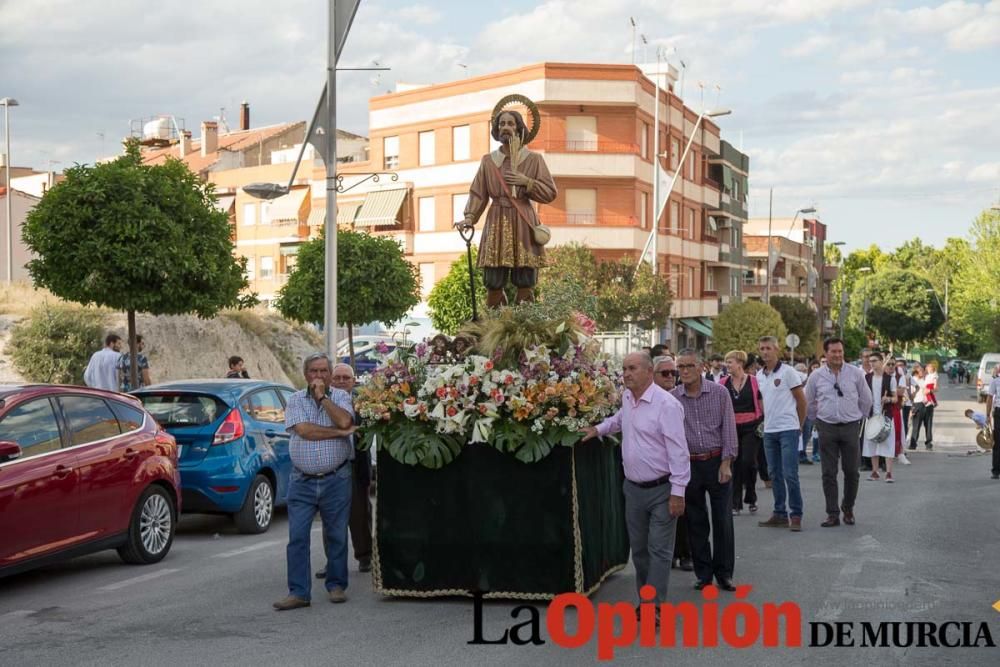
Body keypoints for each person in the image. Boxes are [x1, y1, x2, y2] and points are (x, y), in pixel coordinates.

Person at [581, 352, 690, 610]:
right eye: (624, 369)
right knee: (639, 552)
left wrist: (678, 492)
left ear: (649, 372)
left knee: (660, 551)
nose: (626, 374)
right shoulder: (628, 397)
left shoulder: (667, 405)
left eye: (632, 368)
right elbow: (620, 420)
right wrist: (598, 429)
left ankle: (653, 605)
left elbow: (679, 451)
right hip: (633, 490)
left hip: (662, 490)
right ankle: (646, 599)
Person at [273, 353, 357, 611]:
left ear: (330, 376)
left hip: (336, 478)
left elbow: (345, 420)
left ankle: (336, 585)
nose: (318, 376)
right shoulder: (295, 399)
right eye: (313, 372)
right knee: (297, 537)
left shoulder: (341, 397)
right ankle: (298, 592)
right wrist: (339, 434)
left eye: (323, 371)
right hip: (302, 481)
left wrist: (323, 397)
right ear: (305, 375)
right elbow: (304, 431)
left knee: (336, 535)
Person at [456, 103, 557, 307]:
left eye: (510, 123)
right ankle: (494, 324)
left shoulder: (534, 160)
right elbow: (478, 192)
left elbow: (550, 192)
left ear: (519, 128)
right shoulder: (489, 161)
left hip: (523, 220)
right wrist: (469, 218)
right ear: (496, 129)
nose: (505, 127)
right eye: (502, 123)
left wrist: (526, 182)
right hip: (496, 222)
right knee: (493, 280)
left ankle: (524, 327)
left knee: (525, 279)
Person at [671, 349, 738, 591]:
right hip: (688, 465)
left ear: (702, 367)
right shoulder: (673, 398)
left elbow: (729, 428)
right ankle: (704, 574)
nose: (685, 371)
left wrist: (726, 462)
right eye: (681, 367)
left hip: (716, 461)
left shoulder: (719, 393)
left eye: (689, 366)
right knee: (695, 521)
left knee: (722, 520)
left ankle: (724, 573)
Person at [804, 338, 872, 527]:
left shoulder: (856, 373)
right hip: (827, 426)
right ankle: (832, 513)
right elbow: (808, 401)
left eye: (840, 351)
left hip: (850, 426)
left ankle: (848, 508)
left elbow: (866, 399)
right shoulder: (816, 376)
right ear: (826, 353)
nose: (838, 355)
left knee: (852, 471)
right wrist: (815, 419)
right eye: (833, 351)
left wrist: (860, 417)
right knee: (828, 472)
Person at [316, 364, 371, 579]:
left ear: (353, 381)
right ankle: (333, 562)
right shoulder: (322, 403)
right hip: (331, 467)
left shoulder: (365, 403)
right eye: (337, 377)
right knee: (330, 517)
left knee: (359, 514)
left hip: (355, 466)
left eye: (345, 378)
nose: (340, 381)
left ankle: (365, 556)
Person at [756, 336, 807, 531]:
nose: (765, 352)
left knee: (790, 473)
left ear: (777, 349)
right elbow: (763, 400)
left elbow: (801, 401)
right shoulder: (760, 375)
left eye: (769, 348)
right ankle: (779, 513)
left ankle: (796, 514)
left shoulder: (788, 372)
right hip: (769, 431)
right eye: (762, 348)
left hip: (788, 429)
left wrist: (799, 424)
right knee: (774, 474)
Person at [653, 355, 690, 571]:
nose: (671, 378)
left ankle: (685, 553)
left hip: (679, 466)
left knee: (683, 512)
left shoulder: (679, 397)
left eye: (673, 374)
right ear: (653, 374)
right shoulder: (642, 398)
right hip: (656, 470)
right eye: (665, 374)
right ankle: (667, 555)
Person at [721, 350, 763, 516]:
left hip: (751, 426)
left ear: (739, 363)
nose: (727, 365)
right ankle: (735, 502)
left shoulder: (754, 381)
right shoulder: (723, 382)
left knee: (748, 462)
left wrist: (764, 421)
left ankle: (751, 496)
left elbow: (760, 402)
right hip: (731, 427)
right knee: (735, 464)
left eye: (730, 362)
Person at [863, 353, 898, 483]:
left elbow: (895, 398)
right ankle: (875, 471)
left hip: (886, 415)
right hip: (872, 416)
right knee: (872, 443)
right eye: (870, 361)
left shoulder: (890, 379)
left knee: (888, 443)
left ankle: (888, 473)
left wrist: (888, 399)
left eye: (874, 360)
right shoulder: (867, 378)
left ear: (881, 361)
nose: (871, 363)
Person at [908, 363, 931, 451]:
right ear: (916, 371)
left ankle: (929, 443)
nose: (922, 372)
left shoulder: (923, 380)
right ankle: (913, 444)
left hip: (926, 404)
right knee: (916, 426)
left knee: (928, 424)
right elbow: (911, 395)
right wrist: (912, 407)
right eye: (920, 370)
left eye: (923, 370)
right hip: (917, 404)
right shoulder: (913, 380)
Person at [986, 374, 1000, 480]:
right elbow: (990, 397)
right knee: (997, 441)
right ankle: (996, 470)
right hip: (999, 412)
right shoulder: (995, 381)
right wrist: (987, 414)